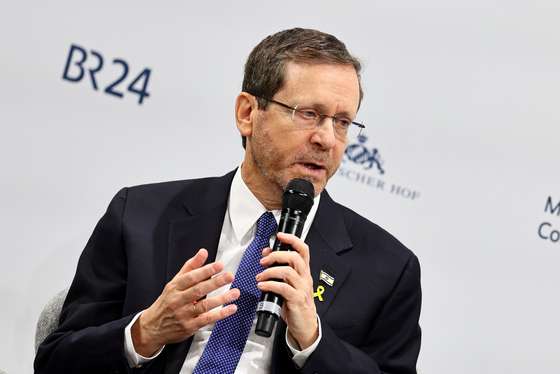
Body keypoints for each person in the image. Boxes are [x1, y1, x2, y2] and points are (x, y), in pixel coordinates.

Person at [34, 28, 421, 374]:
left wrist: (314, 341)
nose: (327, 139)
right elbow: (56, 362)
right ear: (248, 113)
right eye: (309, 114)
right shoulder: (139, 216)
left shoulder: (387, 269)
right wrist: (145, 332)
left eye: (341, 122)